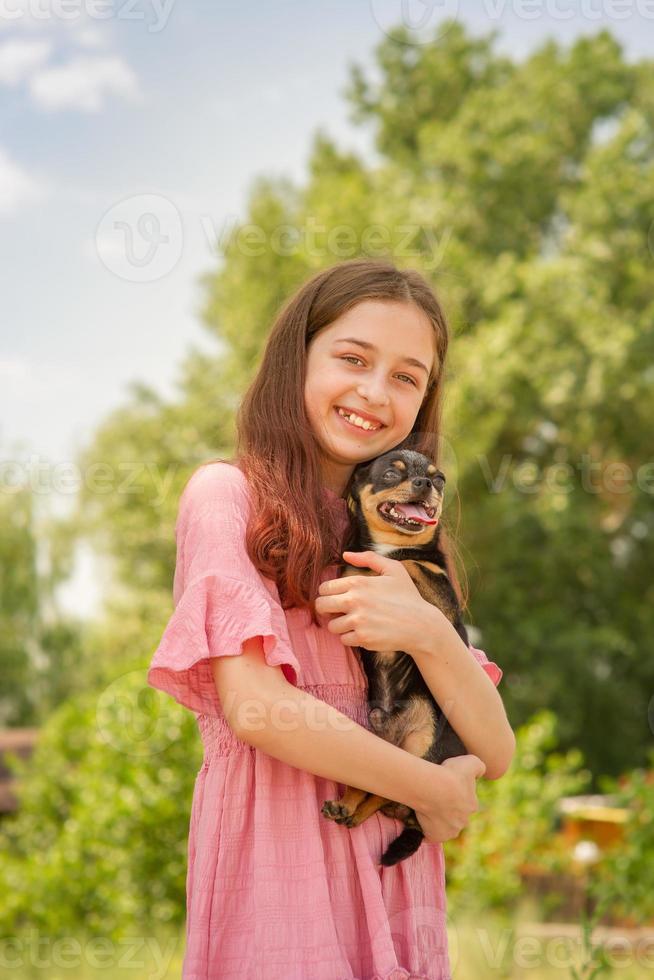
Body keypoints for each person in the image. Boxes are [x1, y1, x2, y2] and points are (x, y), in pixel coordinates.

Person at [147, 258, 514, 979]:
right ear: (298, 359)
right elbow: (256, 708)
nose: (376, 392)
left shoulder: (407, 551)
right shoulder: (230, 498)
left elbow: (494, 750)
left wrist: (427, 630)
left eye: (408, 376)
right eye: (353, 358)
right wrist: (430, 788)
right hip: (277, 874)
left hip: (394, 883)